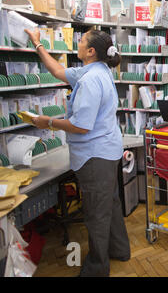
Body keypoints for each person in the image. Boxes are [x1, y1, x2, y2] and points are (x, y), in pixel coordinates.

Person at [24, 28, 130, 277]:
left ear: (91, 51)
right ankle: (119, 250)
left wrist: (46, 122)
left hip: (96, 156)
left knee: (96, 213)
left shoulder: (91, 79)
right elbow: (58, 71)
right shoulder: (96, 70)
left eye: (81, 41)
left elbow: (82, 126)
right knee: (109, 205)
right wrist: (38, 45)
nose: (77, 43)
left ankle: (97, 268)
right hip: (106, 151)